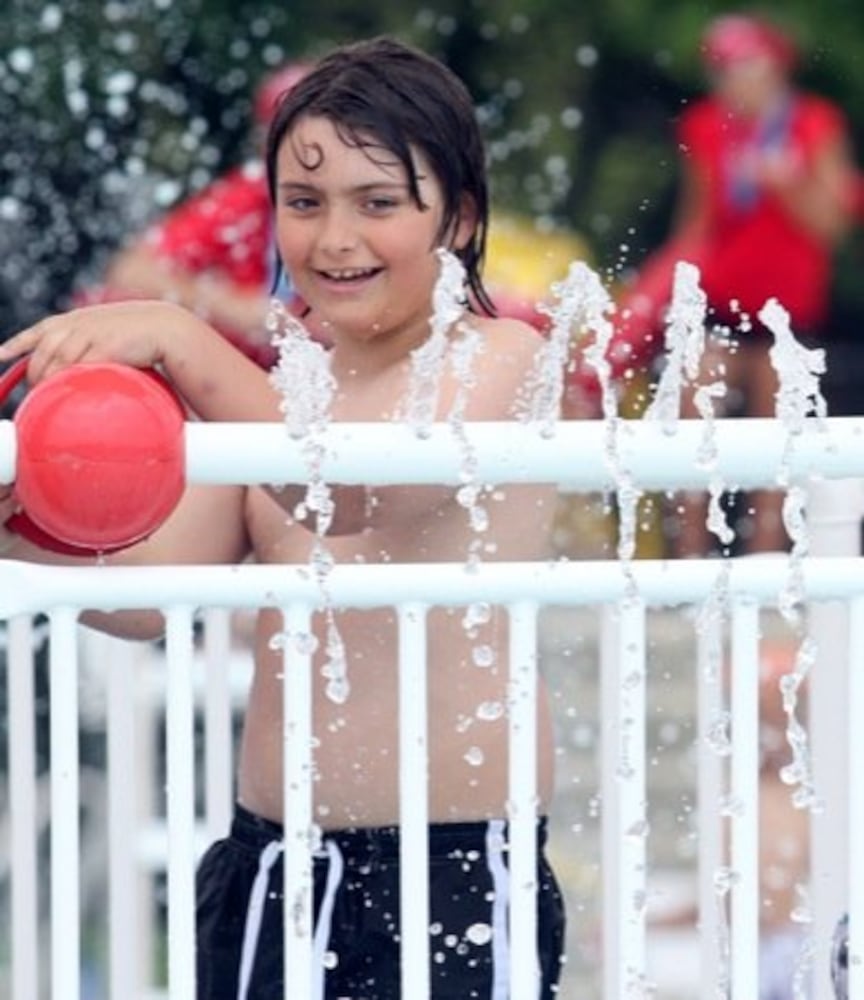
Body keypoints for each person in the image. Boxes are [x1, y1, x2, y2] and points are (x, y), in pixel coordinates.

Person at [0, 37, 565, 999]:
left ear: (459, 216)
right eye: (304, 205)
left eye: (377, 203)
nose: (334, 238)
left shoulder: (499, 358)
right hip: (270, 860)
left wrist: (183, 337)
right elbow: (151, 595)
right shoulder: (286, 386)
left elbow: (352, 495)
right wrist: (19, 525)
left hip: (455, 870)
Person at [568, 14, 860, 555]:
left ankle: (769, 567)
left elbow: (833, 225)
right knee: (691, 426)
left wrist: (788, 183)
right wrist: (660, 295)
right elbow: (697, 226)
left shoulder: (815, 124)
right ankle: (689, 564)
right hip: (720, 304)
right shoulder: (708, 125)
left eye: (743, 65)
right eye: (722, 68)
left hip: (789, 310)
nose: (731, 79)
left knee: (777, 443)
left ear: (775, 68)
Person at [81, 61, 314, 369]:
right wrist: (242, 310)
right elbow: (132, 272)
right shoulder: (248, 198)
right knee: (113, 311)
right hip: (262, 367)